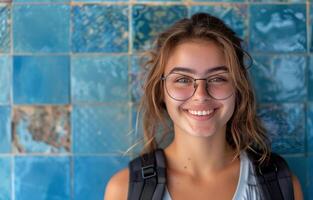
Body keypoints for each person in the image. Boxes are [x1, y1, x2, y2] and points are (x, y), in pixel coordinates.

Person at [104, 13, 303, 200]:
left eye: (217, 78)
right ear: (161, 91)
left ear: (238, 88)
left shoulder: (279, 184)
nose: (200, 95)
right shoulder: (124, 190)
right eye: (183, 79)